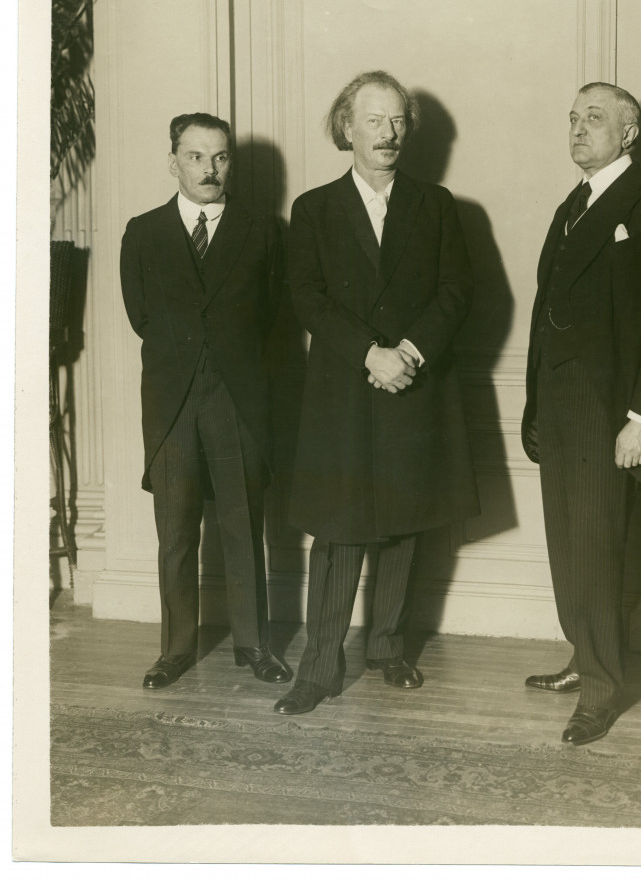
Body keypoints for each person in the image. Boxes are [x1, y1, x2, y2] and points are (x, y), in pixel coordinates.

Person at [274, 71, 480, 716]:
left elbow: (456, 291)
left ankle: (387, 648)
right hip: (344, 390)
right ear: (347, 128)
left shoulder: (438, 204)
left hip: (414, 387)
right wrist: (370, 353)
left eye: (397, 122)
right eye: (374, 121)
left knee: (404, 522)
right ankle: (319, 668)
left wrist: (408, 354)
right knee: (338, 531)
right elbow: (306, 296)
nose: (388, 134)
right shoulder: (312, 209)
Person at [521, 83, 641, 745]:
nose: (576, 129)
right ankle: (582, 658)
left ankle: (600, 689)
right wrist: (535, 406)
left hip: (612, 414)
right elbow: (547, 312)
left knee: (598, 547)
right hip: (561, 406)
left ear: (628, 134)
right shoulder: (573, 204)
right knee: (568, 542)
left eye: (592, 119)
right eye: (571, 118)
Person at [120, 113, 291, 690]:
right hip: (172, 402)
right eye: (196, 157)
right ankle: (174, 651)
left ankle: (253, 643)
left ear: (229, 164)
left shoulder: (262, 230)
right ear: (174, 162)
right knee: (175, 534)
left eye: (219, 158)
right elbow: (143, 317)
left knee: (243, 525)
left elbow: (269, 316)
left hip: (238, 398)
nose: (209, 169)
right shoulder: (142, 233)